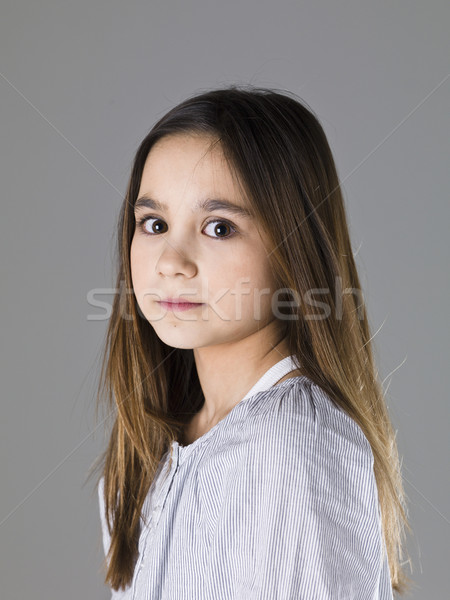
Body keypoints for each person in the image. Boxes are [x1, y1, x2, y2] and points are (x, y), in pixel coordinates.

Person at [93, 85, 412, 599]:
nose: (171, 261)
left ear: (294, 247)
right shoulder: (149, 450)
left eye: (219, 228)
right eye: (154, 224)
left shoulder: (291, 444)